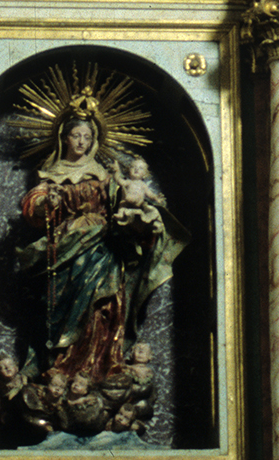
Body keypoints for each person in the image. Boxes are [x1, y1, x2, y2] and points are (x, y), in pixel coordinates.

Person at [17, 110, 185, 384]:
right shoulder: (51, 174)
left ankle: (98, 368)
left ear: (94, 141)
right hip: (66, 244)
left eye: (87, 137)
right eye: (76, 135)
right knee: (58, 304)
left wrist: (143, 217)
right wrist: (47, 203)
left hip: (102, 244)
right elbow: (33, 205)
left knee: (103, 304)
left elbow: (123, 203)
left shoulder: (104, 175)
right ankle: (58, 366)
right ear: (64, 138)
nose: (81, 142)